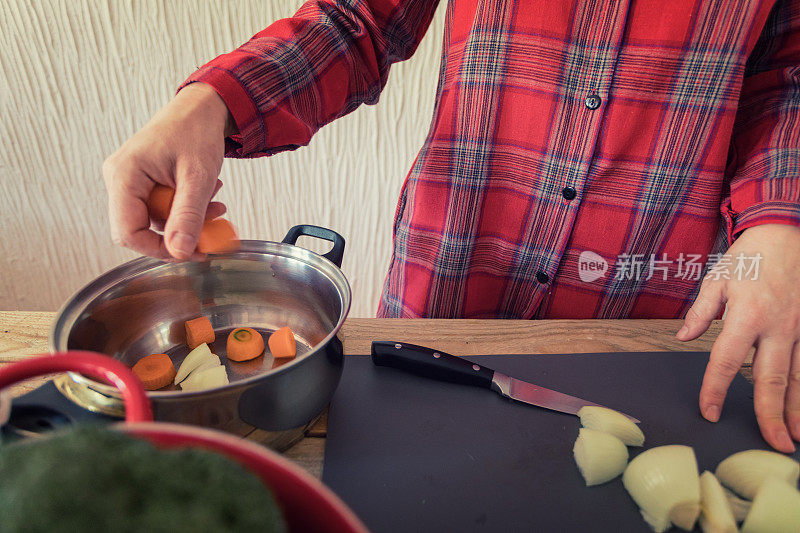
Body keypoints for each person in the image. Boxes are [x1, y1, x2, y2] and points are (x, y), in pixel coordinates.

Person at [102, 1, 800, 453]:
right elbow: (359, 21)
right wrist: (215, 99)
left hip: (638, 305)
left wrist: (781, 214)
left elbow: (787, 73)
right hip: (450, 280)